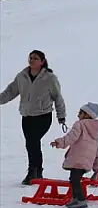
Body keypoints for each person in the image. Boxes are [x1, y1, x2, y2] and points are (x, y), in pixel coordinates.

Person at [0, 50, 67, 185]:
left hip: (43, 116)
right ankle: (37, 172)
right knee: (31, 143)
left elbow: (58, 97)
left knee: (32, 141)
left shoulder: (49, 78)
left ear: (42, 62)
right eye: (30, 58)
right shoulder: (22, 76)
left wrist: (61, 117)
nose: (32, 60)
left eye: (35, 58)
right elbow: (10, 92)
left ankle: (33, 171)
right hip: (27, 116)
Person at [49, 102, 98, 208]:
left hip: (79, 158)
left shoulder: (80, 125)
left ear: (87, 115)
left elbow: (71, 137)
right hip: (86, 160)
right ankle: (75, 199)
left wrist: (59, 142)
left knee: (74, 179)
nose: (78, 115)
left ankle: (81, 201)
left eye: (80, 113)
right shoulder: (95, 130)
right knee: (74, 178)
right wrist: (97, 166)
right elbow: (96, 149)